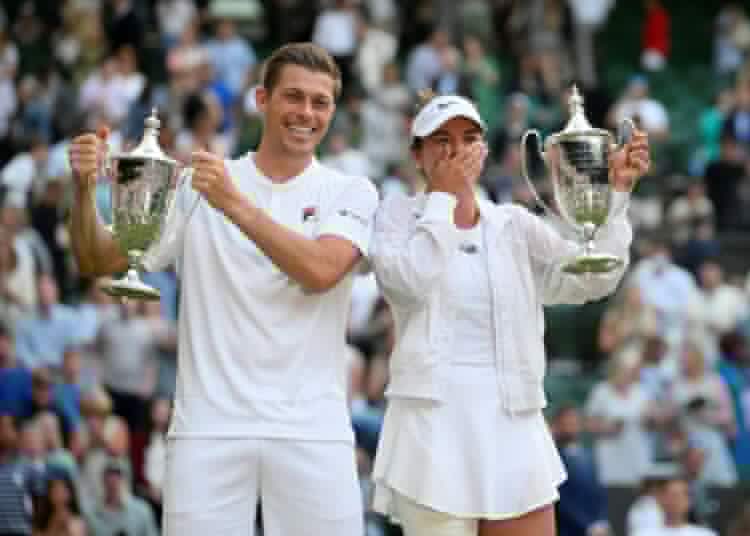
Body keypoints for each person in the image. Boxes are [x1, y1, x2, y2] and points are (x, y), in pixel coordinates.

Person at [67, 42, 379, 536]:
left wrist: (235, 204)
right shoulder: (199, 184)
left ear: (333, 111)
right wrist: (84, 189)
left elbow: (321, 270)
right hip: (208, 427)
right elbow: (98, 258)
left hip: (312, 430)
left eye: (320, 102)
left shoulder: (351, 191)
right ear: (262, 100)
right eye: (293, 97)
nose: (306, 113)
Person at [369, 91, 650, 536]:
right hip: (432, 428)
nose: (456, 150)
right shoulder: (395, 217)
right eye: (441, 140)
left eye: (468, 137)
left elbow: (591, 279)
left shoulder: (514, 225)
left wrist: (615, 196)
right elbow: (410, 282)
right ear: (417, 155)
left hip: (514, 419)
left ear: (483, 149)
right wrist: (443, 198)